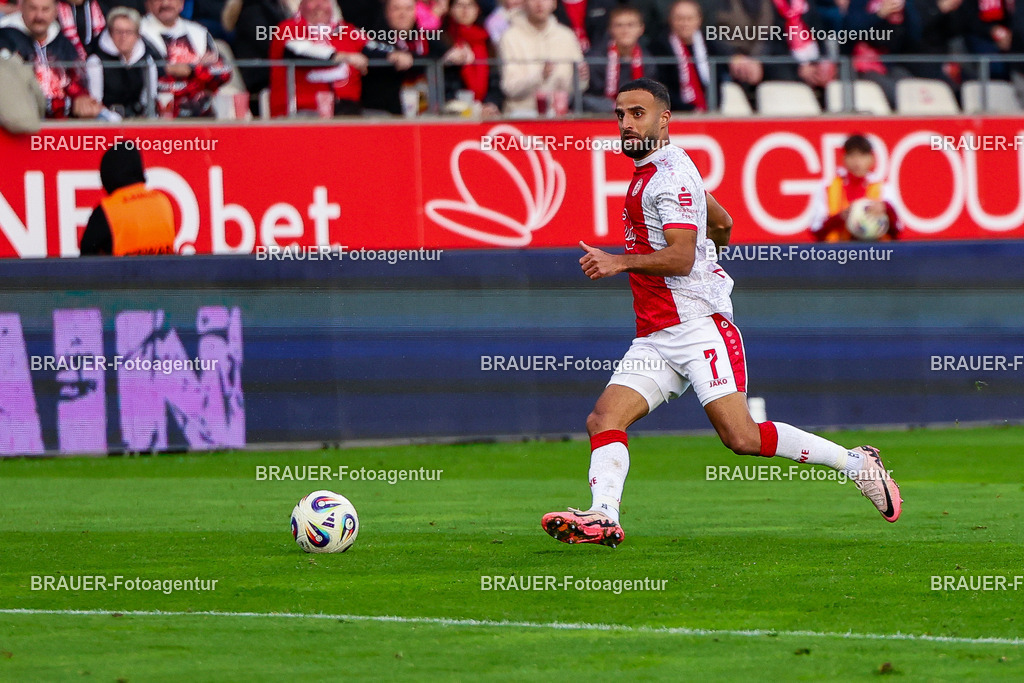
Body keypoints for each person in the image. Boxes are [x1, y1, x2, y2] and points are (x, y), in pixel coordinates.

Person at [541, 78, 902, 548]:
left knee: (741, 437)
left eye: (637, 114)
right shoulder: (668, 164)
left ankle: (855, 463)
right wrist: (715, 251)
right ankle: (603, 515)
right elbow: (724, 222)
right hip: (656, 333)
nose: (627, 124)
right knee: (603, 418)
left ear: (663, 118)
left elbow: (682, 257)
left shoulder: (667, 176)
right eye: (621, 115)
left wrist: (621, 259)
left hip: (699, 327)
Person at [268, 0, 388, 116]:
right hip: (302, 111)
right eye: (313, 1)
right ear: (302, 4)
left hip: (348, 110)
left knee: (384, 119)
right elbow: (300, 50)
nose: (319, 5)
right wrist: (341, 57)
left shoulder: (347, 30)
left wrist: (395, 55)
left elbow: (373, 48)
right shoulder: (288, 28)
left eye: (325, 1)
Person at [0, 0, 103, 118]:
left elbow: (76, 83)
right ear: (22, 8)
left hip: (61, 122)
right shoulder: (5, 40)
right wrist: (68, 105)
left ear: (55, 11)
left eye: (45, 9)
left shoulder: (62, 43)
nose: (39, 16)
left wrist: (82, 99)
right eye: (33, 8)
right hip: (20, 122)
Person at [80, 142, 176, 256]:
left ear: (106, 175)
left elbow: (85, 258)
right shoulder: (162, 201)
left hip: (123, 273)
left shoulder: (107, 210)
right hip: (166, 272)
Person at [140, 0, 231, 117]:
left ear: (182, 3)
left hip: (203, 112)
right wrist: (200, 69)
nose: (165, 4)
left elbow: (221, 72)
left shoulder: (199, 32)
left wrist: (190, 70)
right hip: (158, 114)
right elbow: (152, 72)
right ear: (148, 4)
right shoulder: (138, 32)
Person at [499, 0, 588, 116]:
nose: (539, 4)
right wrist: (540, 76)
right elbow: (509, 88)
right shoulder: (510, 37)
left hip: (561, 115)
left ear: (554, 3)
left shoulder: (567, 36)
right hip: (521, 116)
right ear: (524, 3)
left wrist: (581, 79)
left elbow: (577, 89)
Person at [809, 133, 901, 241]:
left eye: (862, 155)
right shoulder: (828, 186)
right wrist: (840, 217)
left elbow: (897, 231)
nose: (857, 161)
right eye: (852, 155)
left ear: (871, 159)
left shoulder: (883, 188)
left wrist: (886, 209)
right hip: (837, 252)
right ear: (844, 158)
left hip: (875, 252)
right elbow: (816, 230)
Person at [360, 0, 444, 115]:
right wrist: (390, 56)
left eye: (408, 9)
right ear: (386, 12)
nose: (402, 14)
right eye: (396, 9)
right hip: (384, 115)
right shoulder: (375, 36)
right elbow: (367, 50)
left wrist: (458, 53)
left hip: (425, 112)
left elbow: (444, 53)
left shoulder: (426, 37)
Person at [652, 0, 730, 112]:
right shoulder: (660, 47)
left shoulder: (710, 44)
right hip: (675, 112)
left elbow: (717, 79)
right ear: (670, 20)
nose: (684, 23)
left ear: (699, 20)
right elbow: (662, 87)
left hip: (710, 108)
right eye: (679, 18)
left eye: (689, 18)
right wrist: (689, 109)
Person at [86, 6, 160, 117]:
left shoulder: (147, 60)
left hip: (137, 117)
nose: (123, 37)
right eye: (118, 32)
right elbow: (95, 101)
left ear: (137, 34)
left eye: (128, 32)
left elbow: (150, 97)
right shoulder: (96, 61)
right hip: (105, 119)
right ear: (110, 33)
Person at [583, 6, 656, 113]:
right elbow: (590, 97)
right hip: (601, 115)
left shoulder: (648, 60)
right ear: (610, 29)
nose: (625, 31)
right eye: (619, 25)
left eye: (630, 25)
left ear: (641, 29)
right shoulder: (596, 58)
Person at [443, 0, 503, 116]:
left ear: (477, 9)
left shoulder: (486, 40)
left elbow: (495, 80)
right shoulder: (443, 39)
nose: (465, 10)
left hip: (485, 112)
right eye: (460, 5)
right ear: (451, 9)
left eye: (470, 5)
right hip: (454, 113)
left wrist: (491, 104)